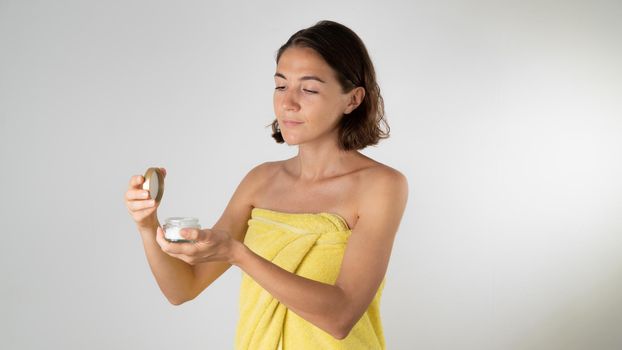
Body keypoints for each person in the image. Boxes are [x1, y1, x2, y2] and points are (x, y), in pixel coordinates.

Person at [125, 20, 408, 350]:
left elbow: (340, 316)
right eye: (280, 86)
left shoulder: (382, 186)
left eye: (309, 89)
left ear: (353, 100)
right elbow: (183, 289)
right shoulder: (260, 181)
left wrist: (237, 254)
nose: (288, 102)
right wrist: (147, 226)